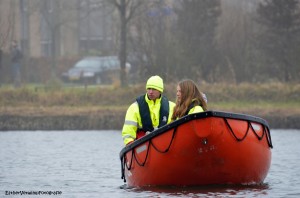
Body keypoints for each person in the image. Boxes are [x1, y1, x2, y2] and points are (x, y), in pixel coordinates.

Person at [121, 75, 175, 146]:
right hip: (143, 146)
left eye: (154, 89)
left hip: (166, 144)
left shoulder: (172, 107)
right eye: (149, 88)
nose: (150, 92)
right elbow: (128, 131)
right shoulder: (134, 107)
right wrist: (130, 144)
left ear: (160, 90)